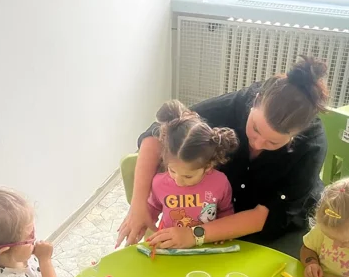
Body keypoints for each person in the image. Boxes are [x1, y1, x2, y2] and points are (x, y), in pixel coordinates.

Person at [117, 56, 330, 258]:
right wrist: (138, 205)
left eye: (273, 143)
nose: (257, 144)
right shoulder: (237, 104)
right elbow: (158, 133)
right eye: (255, 129)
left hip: (272, 232)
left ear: (296, 135)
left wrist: (194, 235)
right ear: (255, 101)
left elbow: (262, 217)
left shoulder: (311, 147)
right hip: (211, 216)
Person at [146, 100, 237, 234]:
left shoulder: (220, 183)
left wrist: (223, 232)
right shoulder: (159, 183)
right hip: (170, 243)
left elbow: (225, 211)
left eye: (188, 176)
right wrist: (145, 223)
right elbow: (153, 207)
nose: (178, 181)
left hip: (206, 241)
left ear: (208, 166)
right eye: (172, 171)